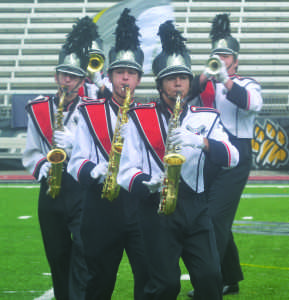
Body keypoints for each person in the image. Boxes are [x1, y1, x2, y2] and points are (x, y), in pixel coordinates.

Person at [117, 20, 240, 300]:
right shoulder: (138, 117)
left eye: (183, 78)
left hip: (196, 208)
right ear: (160, 84)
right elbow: (126, 168)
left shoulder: (206, 117)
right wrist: (146, 183)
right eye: (171, 79)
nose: (178, 84)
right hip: (155, 210)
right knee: (164, 285)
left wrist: (202, 141)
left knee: (210, 278)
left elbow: (233, 156)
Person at [67, 9, 148, 300]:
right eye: (119, 72)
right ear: (110, 76)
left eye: (131, 73)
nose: (125, 78)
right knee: (98, 282)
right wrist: (94, 170)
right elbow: (75, 163)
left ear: (138, 79)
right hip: (101, 207)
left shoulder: (150, 114)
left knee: (149, 280)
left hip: (141, 207)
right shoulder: (89, 113)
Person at [22, 16, 98, 300]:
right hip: (50, 190)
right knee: (57, 255)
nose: (67, 80)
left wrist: (75, 144)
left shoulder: (92, 109)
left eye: (73, 76)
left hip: (81, 189)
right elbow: (30, 152)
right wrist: (43, 167)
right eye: (63, 75)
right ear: (56, 76)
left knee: (82, 252)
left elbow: (97, 149)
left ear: (81, 80)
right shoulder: (39, 108)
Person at [187, 14, 263, 297]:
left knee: (214, 219)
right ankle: (230, 277)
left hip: (237, 157)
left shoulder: (247, 83)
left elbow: (251, 103)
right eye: (216, 54)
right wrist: (203, 79)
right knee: (211, 215)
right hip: (212, 154)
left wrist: (226, 82)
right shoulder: (205, 84)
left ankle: (211, 281)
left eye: (225, 55)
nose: (220, 58)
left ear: (235, 61)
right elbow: (182, 100)